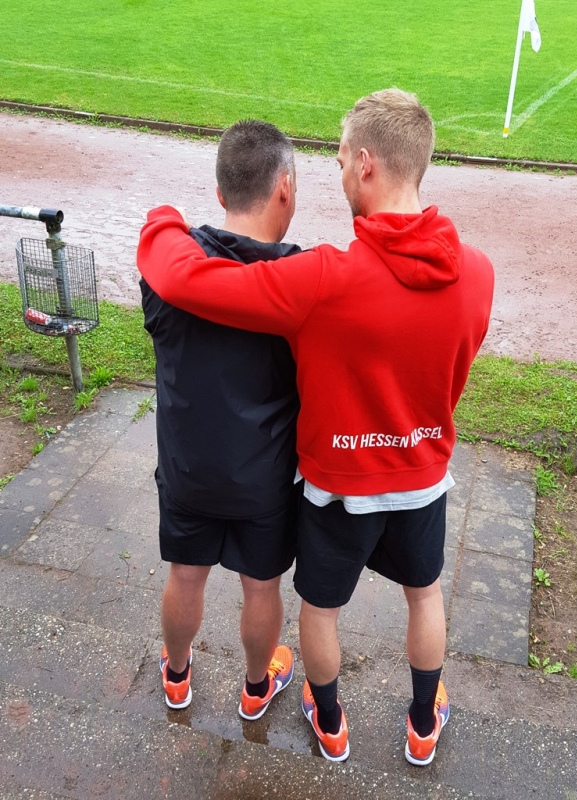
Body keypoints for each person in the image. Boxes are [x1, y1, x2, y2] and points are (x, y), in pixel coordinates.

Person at [138, 88, 494, 765]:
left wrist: (160, 224)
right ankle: (423, 724)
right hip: (422, 478)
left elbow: (194, 284)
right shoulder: (478, 275)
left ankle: (330, 723)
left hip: (337, 486)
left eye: (338, 162)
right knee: (425, 596)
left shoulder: (325, 277)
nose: (336, 176)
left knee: (320, 612)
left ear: (366, 164)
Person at [140, 120, 302, 720]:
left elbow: (163, 241)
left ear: (220, 192)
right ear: (284, 188)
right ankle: (256, 688)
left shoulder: (168, 272)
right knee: (261, 585)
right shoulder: (301, 282)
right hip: (264, 476)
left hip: (189, 468)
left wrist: (166, 222)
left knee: (186, 575)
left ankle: (177, 675)